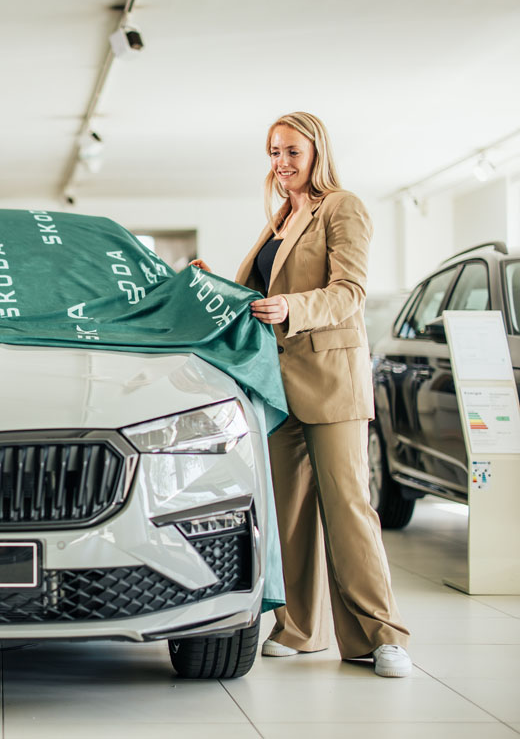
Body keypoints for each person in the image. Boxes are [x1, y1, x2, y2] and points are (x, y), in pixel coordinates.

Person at [191, 111, 412, 678]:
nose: (281, 163)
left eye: (292, 151)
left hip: (332, 379)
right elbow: (257, 298)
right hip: (278, 385)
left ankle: (380, 636)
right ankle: (299, 626)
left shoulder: (342, 207)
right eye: (273, 152)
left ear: (317, 152)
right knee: (287, 513)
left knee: (348, 509)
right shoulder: (279, 221)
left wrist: (295, 308)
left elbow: (349, 292)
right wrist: (210, 280)